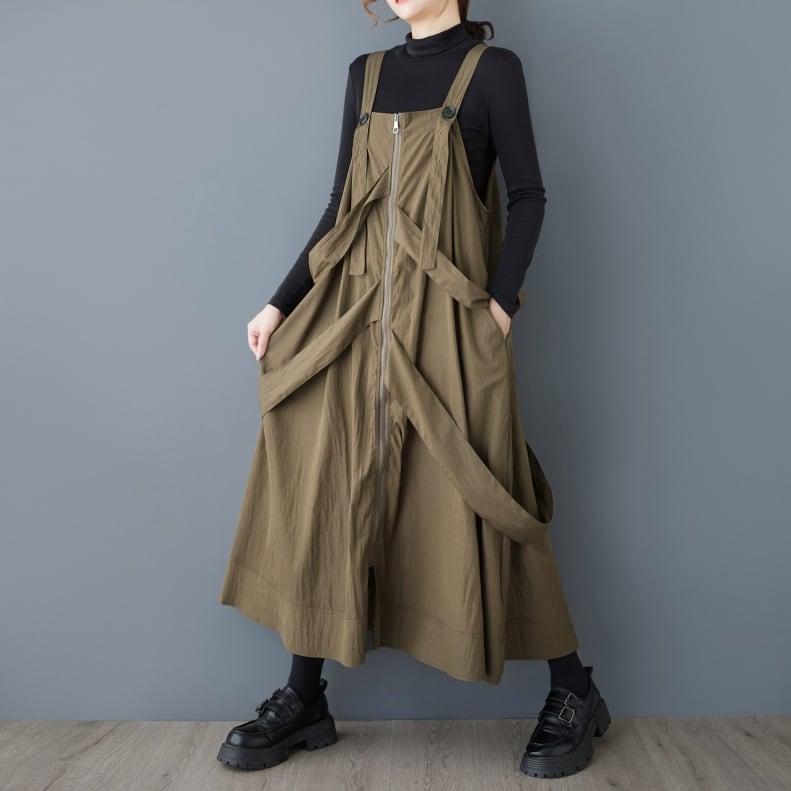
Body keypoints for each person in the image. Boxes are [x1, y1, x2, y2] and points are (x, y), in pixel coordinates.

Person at [217, 0, 610, 778]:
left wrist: (497, 307)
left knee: (485, 489)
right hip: (351, 317)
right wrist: (279, 303)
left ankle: (574, 689)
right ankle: (305, 695)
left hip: (449, 326)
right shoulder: (364, 76)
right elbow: (339, 208)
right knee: (330, 486)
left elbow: (527, 195)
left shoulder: (492, 72)